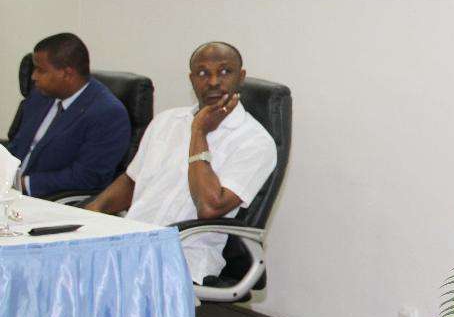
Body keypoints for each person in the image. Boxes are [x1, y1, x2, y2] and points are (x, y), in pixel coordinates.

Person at [86, 42, 276, 284]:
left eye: (225, 71)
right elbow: (131, 183)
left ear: (241, 77)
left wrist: (199, 132)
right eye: (203, 73)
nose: (213, 81)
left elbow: (209, 207)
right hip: (129, 243)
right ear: (192, 79)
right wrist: (86, 216)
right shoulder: (166, 121)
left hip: (183, 258)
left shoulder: (255, 141)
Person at [4, 33, 130, 197]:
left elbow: (87, 177)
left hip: (49, 199)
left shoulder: (108, 113)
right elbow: (18, 145)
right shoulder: (40, 96)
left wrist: (23, 184)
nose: (34, 76)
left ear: (67, 74)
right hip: (9, 191)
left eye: (41, 70)